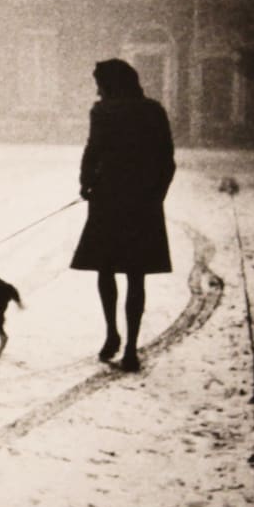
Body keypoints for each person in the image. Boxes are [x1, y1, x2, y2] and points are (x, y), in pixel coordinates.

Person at [69, 59, 175, 372]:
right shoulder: (154, 111)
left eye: (99, 82)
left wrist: (86, 184)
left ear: (110, 84)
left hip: (108, 199)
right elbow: (166, 159)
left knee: (106, 269)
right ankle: (130, 347)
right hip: (143, 201)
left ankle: (111, 334)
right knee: (136, 275)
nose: (97, 88)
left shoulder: (102, 112)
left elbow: (93, 151)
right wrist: (156, 195)